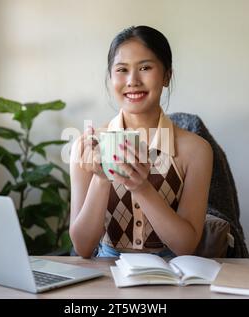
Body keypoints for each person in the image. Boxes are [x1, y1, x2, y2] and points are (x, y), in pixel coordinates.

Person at [69, 26, 213, 258]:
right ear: (111, 77)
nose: (133, 80)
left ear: (167, 76)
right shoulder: (88, 147)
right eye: (122, 70)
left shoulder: (196, 150)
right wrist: (101, 178)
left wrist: (141, 188)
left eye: (145, 68)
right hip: (107, 275)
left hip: (170, 275)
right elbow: (83, 248)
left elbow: (186, 246)